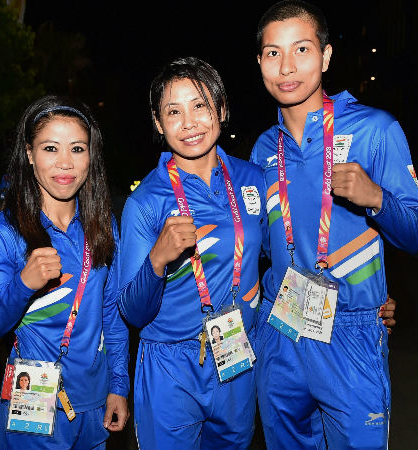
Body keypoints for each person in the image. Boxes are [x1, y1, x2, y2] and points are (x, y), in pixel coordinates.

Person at [251, 2, 418, 449]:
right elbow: (258, 246)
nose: (287, 66)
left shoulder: (376, 130)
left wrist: (377, 199)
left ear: (325, 57)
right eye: (273, 53)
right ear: (260, 63)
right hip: (282, 327)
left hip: (351, 333)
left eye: (301, 49)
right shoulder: (263, 148)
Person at [117, 56, 268, 450]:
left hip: (236, 352)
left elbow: (284, 255)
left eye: (199, 105)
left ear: (220, 108)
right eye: (173, 111)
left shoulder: (252, 179)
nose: (189, 123)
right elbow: (132, 311)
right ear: (157, 121)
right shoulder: (145, 201)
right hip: (170, 367)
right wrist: (158, 259)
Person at [0, 95, 130, 450]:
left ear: (91, 155)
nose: (65, 163)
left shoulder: (102, 226)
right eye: (50, 148)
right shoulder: (1, 232)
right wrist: (22, 285)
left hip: (95, 405)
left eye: (77, 149)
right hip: (32, 409)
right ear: (29, 154)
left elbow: (111, 313)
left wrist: (119, 384)